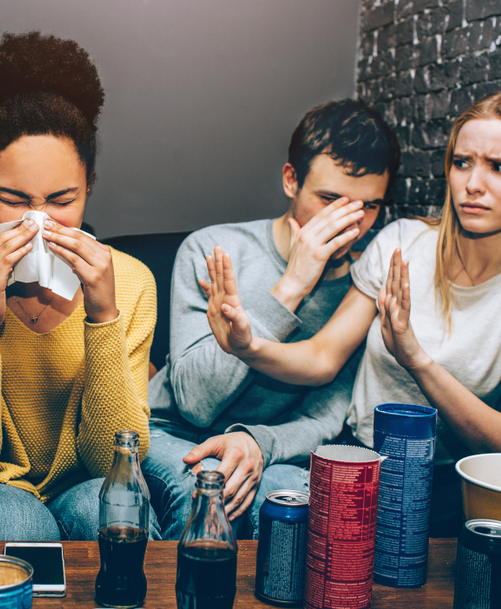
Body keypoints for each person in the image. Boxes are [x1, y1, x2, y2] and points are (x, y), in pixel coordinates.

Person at [205, 89, 501, 532]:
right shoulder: (404, 242)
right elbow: (322, 357)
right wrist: (249, 346)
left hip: (449, 492)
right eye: (462, 162)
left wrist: (417, 360)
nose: (472, 183)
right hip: (353, 460)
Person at [0, 32, 156, 541]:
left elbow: (113, 458)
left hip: (83, 483)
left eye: (62, 199)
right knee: (15, 518)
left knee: (109, 509)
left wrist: (104, 317)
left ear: (89, 187)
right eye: (14, 199)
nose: (38, 223)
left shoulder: (132, 282)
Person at [144, 99, 401, 539]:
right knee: (207, 490)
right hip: (174, 432)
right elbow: (194, 400)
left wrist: (257, 441)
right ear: (290, 181)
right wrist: (292, 286)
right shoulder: (214, 249)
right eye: (330, 199)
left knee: (298, 504)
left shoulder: (362, 287)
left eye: (369, 207)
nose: (349, 224)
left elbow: (327, 419)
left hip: (272, 446)